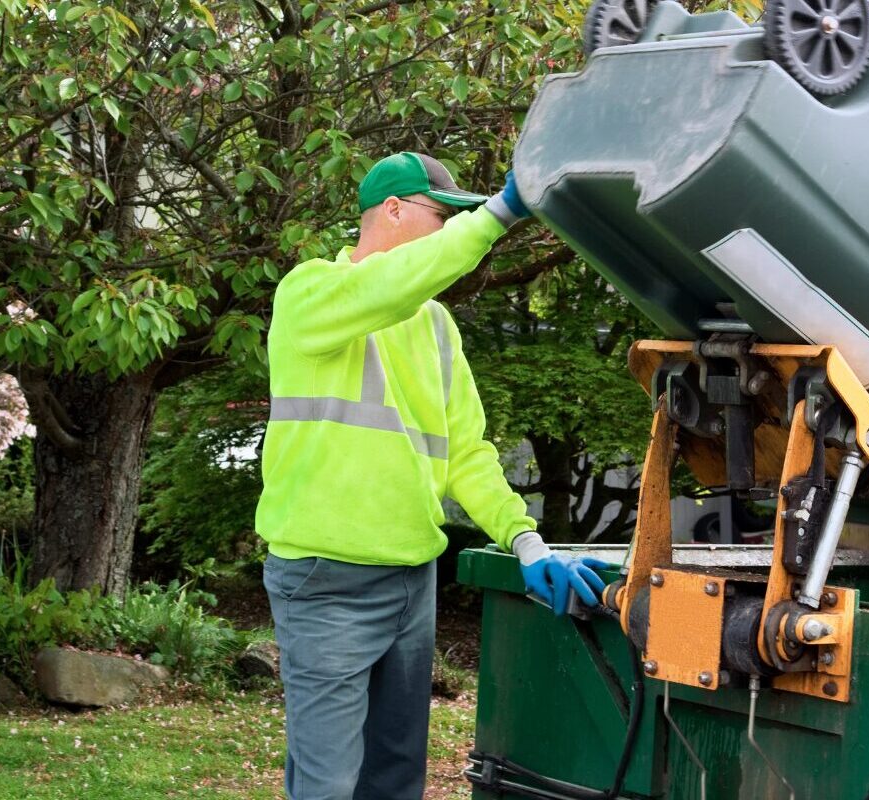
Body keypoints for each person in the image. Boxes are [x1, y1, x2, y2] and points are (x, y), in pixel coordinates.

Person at [256, 152, 609, 800]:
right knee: (328, 784)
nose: (450, 233)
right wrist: (498, 215)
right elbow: (391, 284)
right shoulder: (309, 294)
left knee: (395, 781)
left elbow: (467, 454)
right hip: (325, 580)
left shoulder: (438, 329)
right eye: (440, 217)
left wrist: (526, 542)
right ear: (391, 211)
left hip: (410, 584)